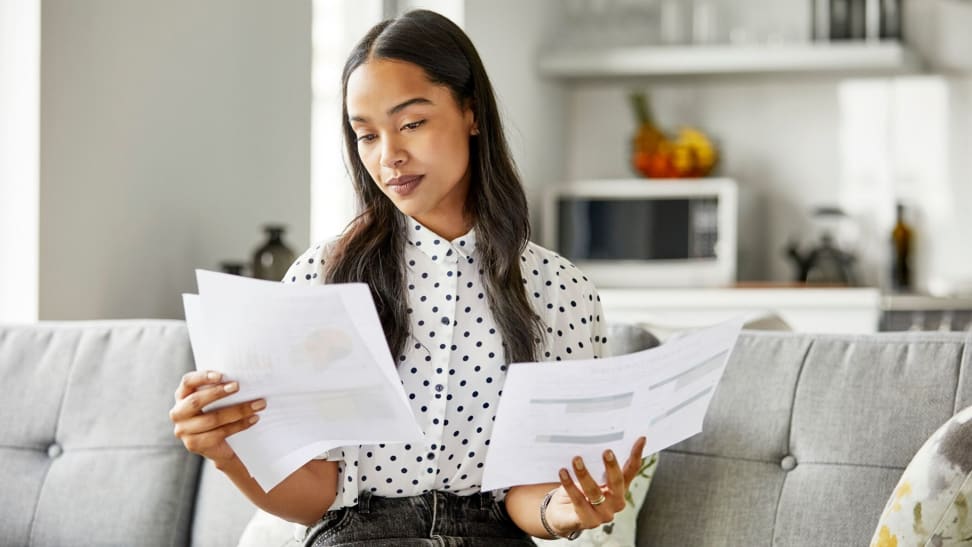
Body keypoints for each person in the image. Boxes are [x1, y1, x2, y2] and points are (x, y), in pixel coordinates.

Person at [169, 9, 647, 546]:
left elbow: (526, 494)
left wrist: (564, 511)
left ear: (471, 112)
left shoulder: (559, 289)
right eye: (366, 135)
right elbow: (317, 496)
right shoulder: (322, 277)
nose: (389, 155)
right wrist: (227, 452)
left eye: (412, 123)